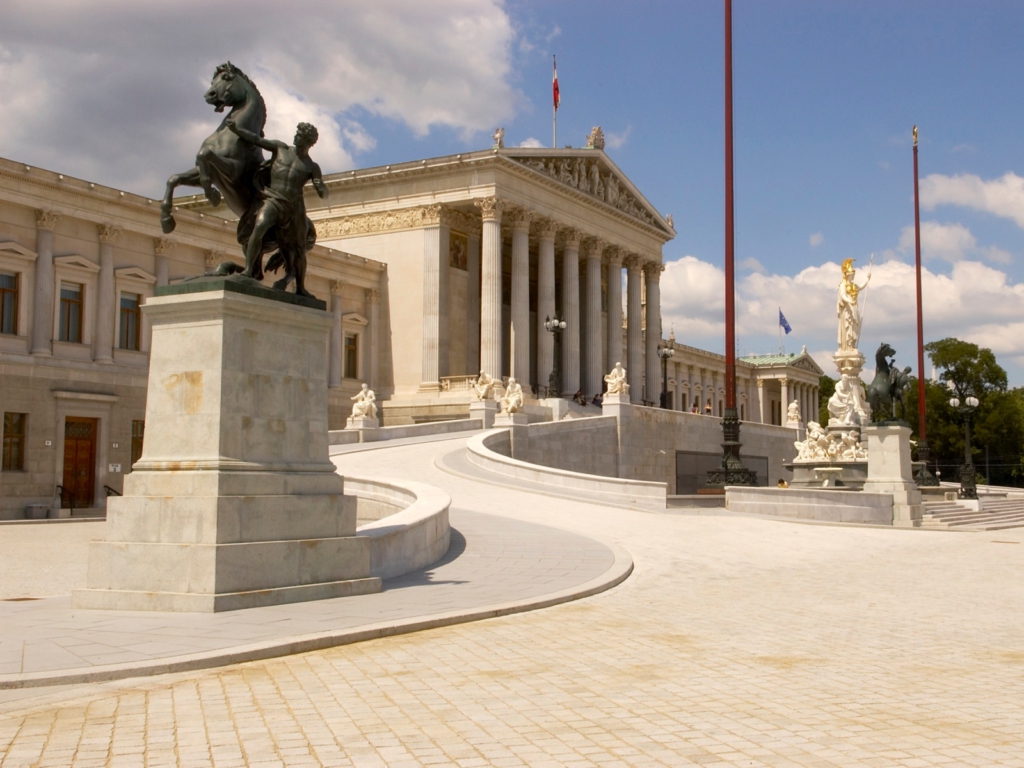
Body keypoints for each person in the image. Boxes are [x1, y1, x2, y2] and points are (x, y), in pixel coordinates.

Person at [224, 119, 328, 297]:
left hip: (294, 208)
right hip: (273, 199)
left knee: (298, 248)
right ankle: (249, 270)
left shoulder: (311, 166)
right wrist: (237, 129)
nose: (295, 137)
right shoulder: (281, 149)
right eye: (296, 133)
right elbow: (257, 140)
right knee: (259, 227)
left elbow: (324, 193)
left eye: (300, 135)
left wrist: (321, 187)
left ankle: (301, 287)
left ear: (308, 142)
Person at [837, 256, 872, 352]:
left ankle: (852, 345)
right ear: (847, 275)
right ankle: (847, 346)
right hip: (847, 310)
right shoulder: (843, 285)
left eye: (853, 275)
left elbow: (860, 287)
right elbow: (843, 295)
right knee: (848, 326)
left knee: (854, 326)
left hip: (854, 308)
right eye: (852, 275)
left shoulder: (853, 285)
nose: (853, 276)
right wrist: (849, 301)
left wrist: (867, 279)